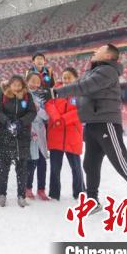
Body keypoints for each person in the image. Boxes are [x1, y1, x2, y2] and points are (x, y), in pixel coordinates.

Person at [54, 44, 127, 211]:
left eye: (99, 50)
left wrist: (55, 92)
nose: (94, 51)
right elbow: (80, 87)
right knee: (90, 165)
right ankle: (92, 202)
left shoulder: (108, 71)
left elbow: (83, 87)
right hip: (92, 123)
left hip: (106, 123)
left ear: (108, 56)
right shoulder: (92, 71)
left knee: (121, 162)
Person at [0, 75, 37, 207]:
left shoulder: (27, 95)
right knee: (4, 167)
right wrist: (7, 122)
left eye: (19, 85)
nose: (16, 87)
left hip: (22, 135)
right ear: (10, 84)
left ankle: (21, 196)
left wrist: (20, 122)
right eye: (14, 84)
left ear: (22, 85)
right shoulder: (3, 93)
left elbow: (32, 112)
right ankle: (2, 194)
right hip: (6, 134)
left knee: (22, 167)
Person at [46, 68, 85, 201]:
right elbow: (49, 105)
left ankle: (79, 192)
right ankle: (54, 193)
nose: (66, 79)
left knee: (76, 168)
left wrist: (63, 120)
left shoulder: (81, 92)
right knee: (55, 168)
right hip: (56, 133)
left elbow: (80, 110)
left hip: (73, 135)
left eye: (69, 77)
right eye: (64, 77)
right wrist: (57, 119)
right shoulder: (55, 91)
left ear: (75, 78)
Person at [25, 72, 51, 201]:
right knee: (31, 162)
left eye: (37, 81)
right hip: (29, 131)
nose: (35, 84)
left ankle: (41, 189)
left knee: (42, 162)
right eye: (32, 81)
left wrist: (38, 109)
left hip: (40, 131)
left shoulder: (42, 96)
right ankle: (27, 187)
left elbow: (46, 116)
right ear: (27, 81)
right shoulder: (23, 95)